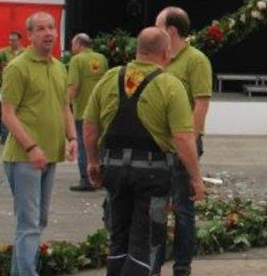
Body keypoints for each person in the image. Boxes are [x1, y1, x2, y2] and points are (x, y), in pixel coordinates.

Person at [83, 27, 204, 276]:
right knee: (145, 242)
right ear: (165, 52)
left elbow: (89, 128)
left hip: (114, 170)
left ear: (137, 49)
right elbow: (182, 138)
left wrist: (93, 162)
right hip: (152, 176)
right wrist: (195, 177)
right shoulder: (170, 85)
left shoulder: (109, 78)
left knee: (118, 239)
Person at [0, 12, 77, 276]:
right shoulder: (18, 68)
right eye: (41, 29)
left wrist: (73, 137)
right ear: (29, 35)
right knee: (29, 223)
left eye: (52, 27)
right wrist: (31, 147)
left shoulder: (59, 67)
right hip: (23, 158)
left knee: (37, 221)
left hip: (50, 156)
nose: (48, 33)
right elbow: (8, 114)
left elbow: (65, 106)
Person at [153, 7, 214, 276]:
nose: (155, 31)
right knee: (155, 207)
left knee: (182, 209)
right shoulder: (160, 59)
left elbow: (201, 104)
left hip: (183, 145)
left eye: (158, 26)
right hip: (157, 146)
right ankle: (153, 264)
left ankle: (181, 267)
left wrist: (188, 141)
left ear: (171, 31)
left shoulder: (196, 60)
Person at [66, 33, 108, 192]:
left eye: (72, 44)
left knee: (85, 146)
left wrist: (65, 106)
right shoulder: (102, 59)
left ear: (78, 44)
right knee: (100, 145)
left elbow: (73, 86)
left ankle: (87, 180)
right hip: (102, 110)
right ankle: (102, 178)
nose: (71, 48)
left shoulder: (77, 60)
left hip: (83, 110)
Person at [0, 30, 25, 143]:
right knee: (7, 111)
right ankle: (5, 137)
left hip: (22, 87)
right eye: (10, 40)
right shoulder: (3, 53)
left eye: (13, 40)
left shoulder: (25, 53)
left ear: (19, 40)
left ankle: (20, 136)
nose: (11, 42)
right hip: (8, 87)